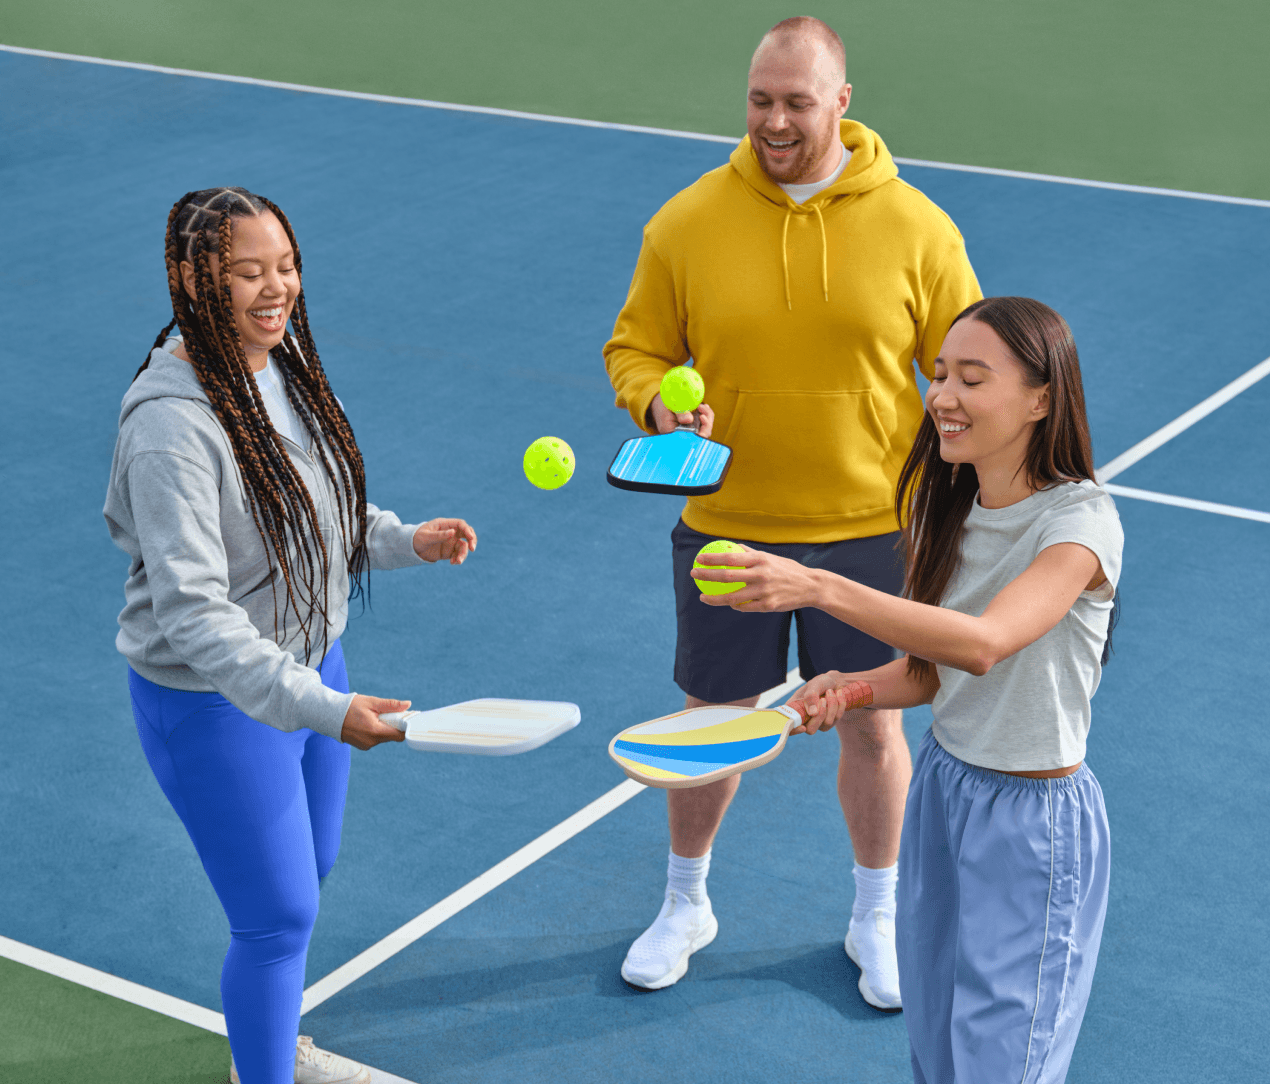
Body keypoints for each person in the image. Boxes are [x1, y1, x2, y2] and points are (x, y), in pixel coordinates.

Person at [602, 16, 981, 1007]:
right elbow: (633, 348)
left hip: (871, 527)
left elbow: (966, 370)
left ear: (841, 104)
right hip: (731, 524)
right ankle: (686, 902)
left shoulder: (919, 228)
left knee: (866, 726)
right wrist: (656, 400)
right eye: (760, 100)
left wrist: (968, 494)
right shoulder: (686, 222)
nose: (774, 120)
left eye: (796, 102)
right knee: (711, 720)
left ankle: (874, 914)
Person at [693, 296, 1122, 1083]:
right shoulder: (948, 508)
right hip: (944, 790)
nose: (943, 398)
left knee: (1004, 1058)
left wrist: (817, 585)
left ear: (1041, 398)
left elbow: (987, 644)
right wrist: (852, 688)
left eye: (972, 378)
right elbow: (934, 668)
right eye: (939, 375)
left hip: (1032, 821)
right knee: (937, 1043)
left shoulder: (1081, 525)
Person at [104, 188, 478, 1084]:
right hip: (214, 703)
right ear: (197, 282)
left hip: (308, 665)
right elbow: (196, 617)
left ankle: (271, 1050)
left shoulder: (281, 359)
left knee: (310, 872)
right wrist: (327, 707)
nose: (277, 290)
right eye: (248, 273)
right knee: (276, 918)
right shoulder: (169, 428)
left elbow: (316, 505)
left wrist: (399, 539)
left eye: (286, 266)